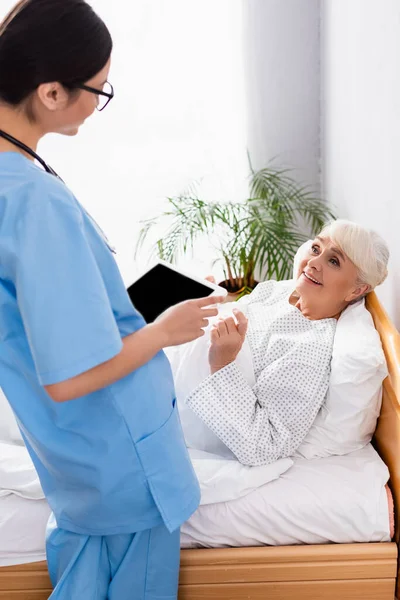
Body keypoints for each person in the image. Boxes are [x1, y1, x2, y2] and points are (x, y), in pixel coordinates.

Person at [0, 1, 224, 598]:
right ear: (50, 92)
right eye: (98, 90)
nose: (99, 103)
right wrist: (162, 331)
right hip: (117, 456)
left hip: (82, 458)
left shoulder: (14, 172)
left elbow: (44, 315)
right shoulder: (32, 201)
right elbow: (68, 378)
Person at [170, 220, 389, 466]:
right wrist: (209, 301)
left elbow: (264, 446)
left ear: (356, 291)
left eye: (334, 261)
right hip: (167, 345)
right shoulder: (280, 291)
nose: (313, 263)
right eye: (316, 249)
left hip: (170, 395)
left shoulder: (309, 352)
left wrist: (222, 362)